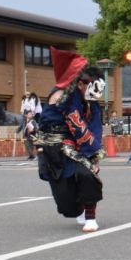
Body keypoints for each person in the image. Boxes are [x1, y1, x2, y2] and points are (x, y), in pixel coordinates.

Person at [35, 49, 107, 232]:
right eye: (87, 83)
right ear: (80, 83)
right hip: (53, 148)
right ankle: (80, 210)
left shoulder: (91, 105)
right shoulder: (65, 96)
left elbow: (94, 130)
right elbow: (77, 124)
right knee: (67, 205)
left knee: (87, 174)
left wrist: (93, 158)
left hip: (75, 145)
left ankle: (91, 216)